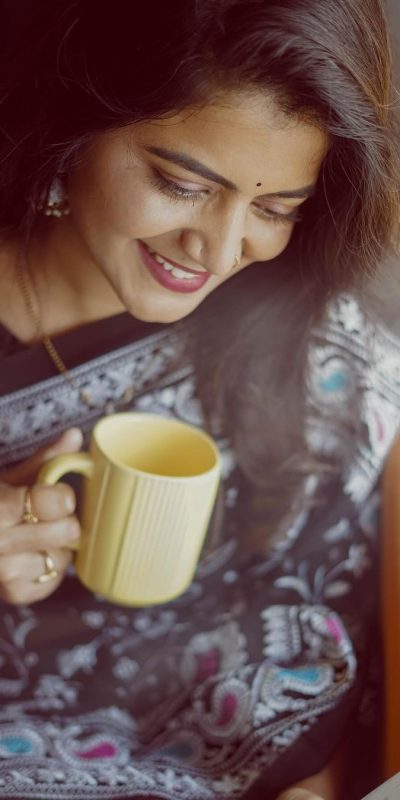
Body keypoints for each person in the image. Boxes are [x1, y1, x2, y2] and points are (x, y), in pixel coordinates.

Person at [0, 1, 399, 797]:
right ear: (75, 128)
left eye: (275, 209)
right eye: (181, 185)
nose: (217, 252)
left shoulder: (325, 351)